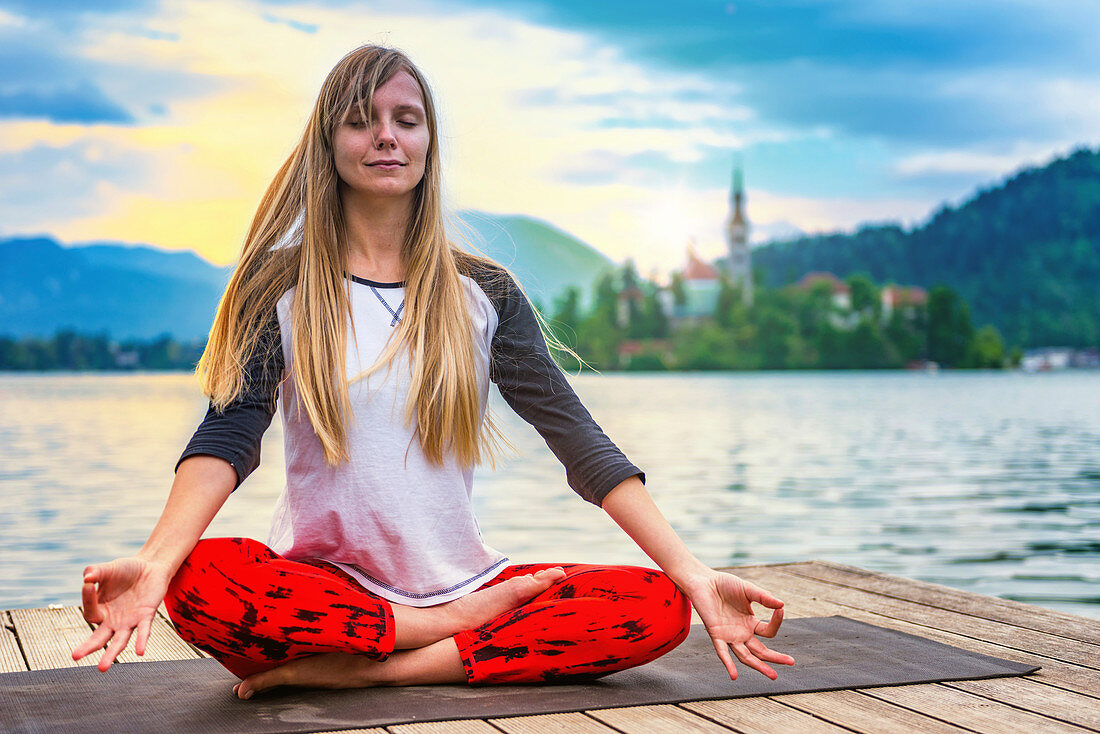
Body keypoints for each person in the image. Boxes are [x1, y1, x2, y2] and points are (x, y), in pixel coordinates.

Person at [72, 44, 794, 698]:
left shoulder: (485, 292)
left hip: (464, 579)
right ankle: (441, 634)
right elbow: (227, 438)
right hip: (330, 593)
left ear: (428, 144)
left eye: (406, 119)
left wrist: (695, 573)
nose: (386, 135)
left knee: (658, 604)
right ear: (331, 144)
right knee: (202, 580)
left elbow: (582, 444)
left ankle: (377, 665)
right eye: (361, 119)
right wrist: (156, 562)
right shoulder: (281, 287)